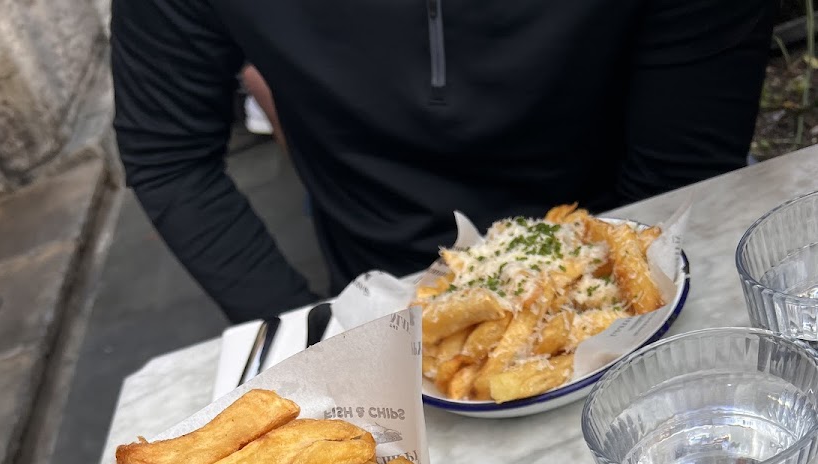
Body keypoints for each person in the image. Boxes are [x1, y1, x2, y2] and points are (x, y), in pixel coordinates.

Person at [111, 0, 775, 324]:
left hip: (639, 245)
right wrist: (313, 336)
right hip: (380, 289)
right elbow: (169, 151)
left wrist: (588, 308)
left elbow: (684, 162)